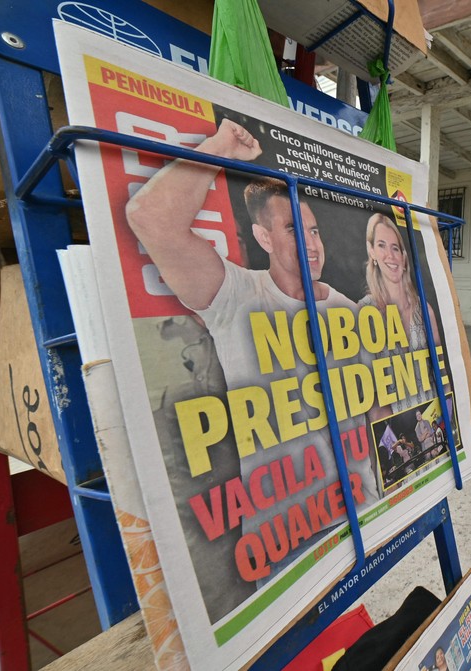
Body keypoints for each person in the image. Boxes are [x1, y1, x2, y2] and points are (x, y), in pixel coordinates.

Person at [126, 118, 378, 580]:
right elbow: (150, 218)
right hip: (283, 535)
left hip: (358, 509)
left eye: (315, 230)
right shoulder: (236, 294)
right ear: (263, 238)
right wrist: (220, 146)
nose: (312, 244)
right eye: (291, 230)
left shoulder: (345, 308)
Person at [360, 213, 444, 418]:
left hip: (433, 418)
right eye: (381, 245)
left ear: (404, 257)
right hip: (396, 428)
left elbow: (441, 374)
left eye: (395, 247)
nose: (390, 255)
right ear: (372, 252)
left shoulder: (424, 310)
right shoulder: (364, 312)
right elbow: (370, 395)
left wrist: (446, 418)